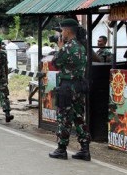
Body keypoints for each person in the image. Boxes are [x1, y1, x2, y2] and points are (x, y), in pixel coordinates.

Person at [49, 18, 91, 161]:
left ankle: (61, 149)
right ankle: (85, 149)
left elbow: (55, 63)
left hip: (67, 87)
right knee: (79, 117)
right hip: (79, 86)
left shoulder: (67, 48)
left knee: (64, 118)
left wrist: (60, 48)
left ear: (67, 31)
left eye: (61, 30)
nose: (61, 34)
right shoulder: (81, 47)